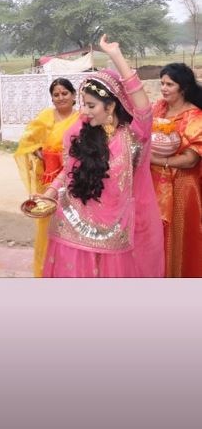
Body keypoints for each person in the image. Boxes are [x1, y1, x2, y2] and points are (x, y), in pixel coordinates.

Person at [41, 35, 164, 278]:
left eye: (90, 105)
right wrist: (50, 193)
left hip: (116, 230)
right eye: (83, 104)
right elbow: (68, 171)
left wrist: (115, 56)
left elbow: (142, 105)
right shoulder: (79, 132)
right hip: (73, 223)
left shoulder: (133, 135)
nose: (83, 112)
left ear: (111, 106)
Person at [14, 78, 79, 276]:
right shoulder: (45, 116)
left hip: (72, 182)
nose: (60, 98)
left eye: (64, 93)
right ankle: (45, 270)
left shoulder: (81, 119)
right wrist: (38, 152)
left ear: (74, 95)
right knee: (47, 226)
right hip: (48, 182)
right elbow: (27, 142)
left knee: (69, 225)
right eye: (56, 95)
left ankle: (67, 270)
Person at [150, 63, 202, 277]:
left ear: (183, 88)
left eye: (169, 84)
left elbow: (191, 159)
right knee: (155, 237)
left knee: (180, 237)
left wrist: (157, 159)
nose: (164, 88)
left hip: (182, 187)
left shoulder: (195, 116)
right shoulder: (159, 108)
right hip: (153, 184)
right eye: (162, 83)